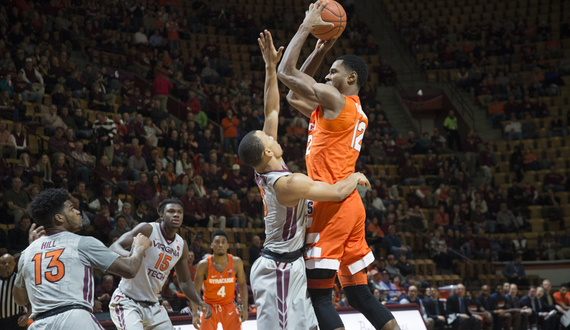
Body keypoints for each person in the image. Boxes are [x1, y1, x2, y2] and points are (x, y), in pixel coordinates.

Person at [239, 29, 374, 330]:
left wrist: (269, 68)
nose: (270, 131)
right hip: (278, 266)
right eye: (266, 136)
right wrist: (355, 176)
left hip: (291, 262)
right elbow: (338, 192)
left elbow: (272, 108)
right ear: (269, 150)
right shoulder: (288, 183)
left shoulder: (268, 162)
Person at [278, 4, 399, 329]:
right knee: (361, 296)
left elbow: (285, 73)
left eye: (332, 72)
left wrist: (306, 26)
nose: (326, 77)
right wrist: (319, 50)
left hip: (331, 205)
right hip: (351, 206)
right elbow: (291, 95)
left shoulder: (337, 102)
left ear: (351, 78)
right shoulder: (341, 112)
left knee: (318, 297)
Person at [12, 188, 152, 330]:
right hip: (74, 319)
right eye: (72, 209)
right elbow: (129, 269)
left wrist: (30, 253)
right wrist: (139, 248)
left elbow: (20, 299)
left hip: (40, 323)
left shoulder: (27, 252)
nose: (78, 211)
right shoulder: (82, 243)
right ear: (59, 218)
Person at [108, 198, 210, 330]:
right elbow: (114, 246)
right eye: (171, 211)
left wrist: (200, 302)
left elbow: (184, 281)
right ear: (161, 214)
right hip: (127, 301)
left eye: (180, 212)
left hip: (153, 305)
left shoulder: (181, 244)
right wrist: (131, 255)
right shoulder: (148, 229)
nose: (176, 214)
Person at [191, 229, 248, 330]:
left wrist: (244, 307)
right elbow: (195, 291)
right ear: (212, 245)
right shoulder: (203, 265)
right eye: (217, 242)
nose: (220, 245)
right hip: (208, 306)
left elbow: (242, 285)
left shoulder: (236, 262)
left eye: (223, 242)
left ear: (228, 245)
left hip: (229, 305)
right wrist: (195, 314)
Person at [1, 253, 29, 330]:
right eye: (3, 263)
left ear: (14, 264)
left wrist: (27, 316)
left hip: (16, 320)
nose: (7, 265)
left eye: (10, 263)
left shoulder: (20, 280)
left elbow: (31, 299)